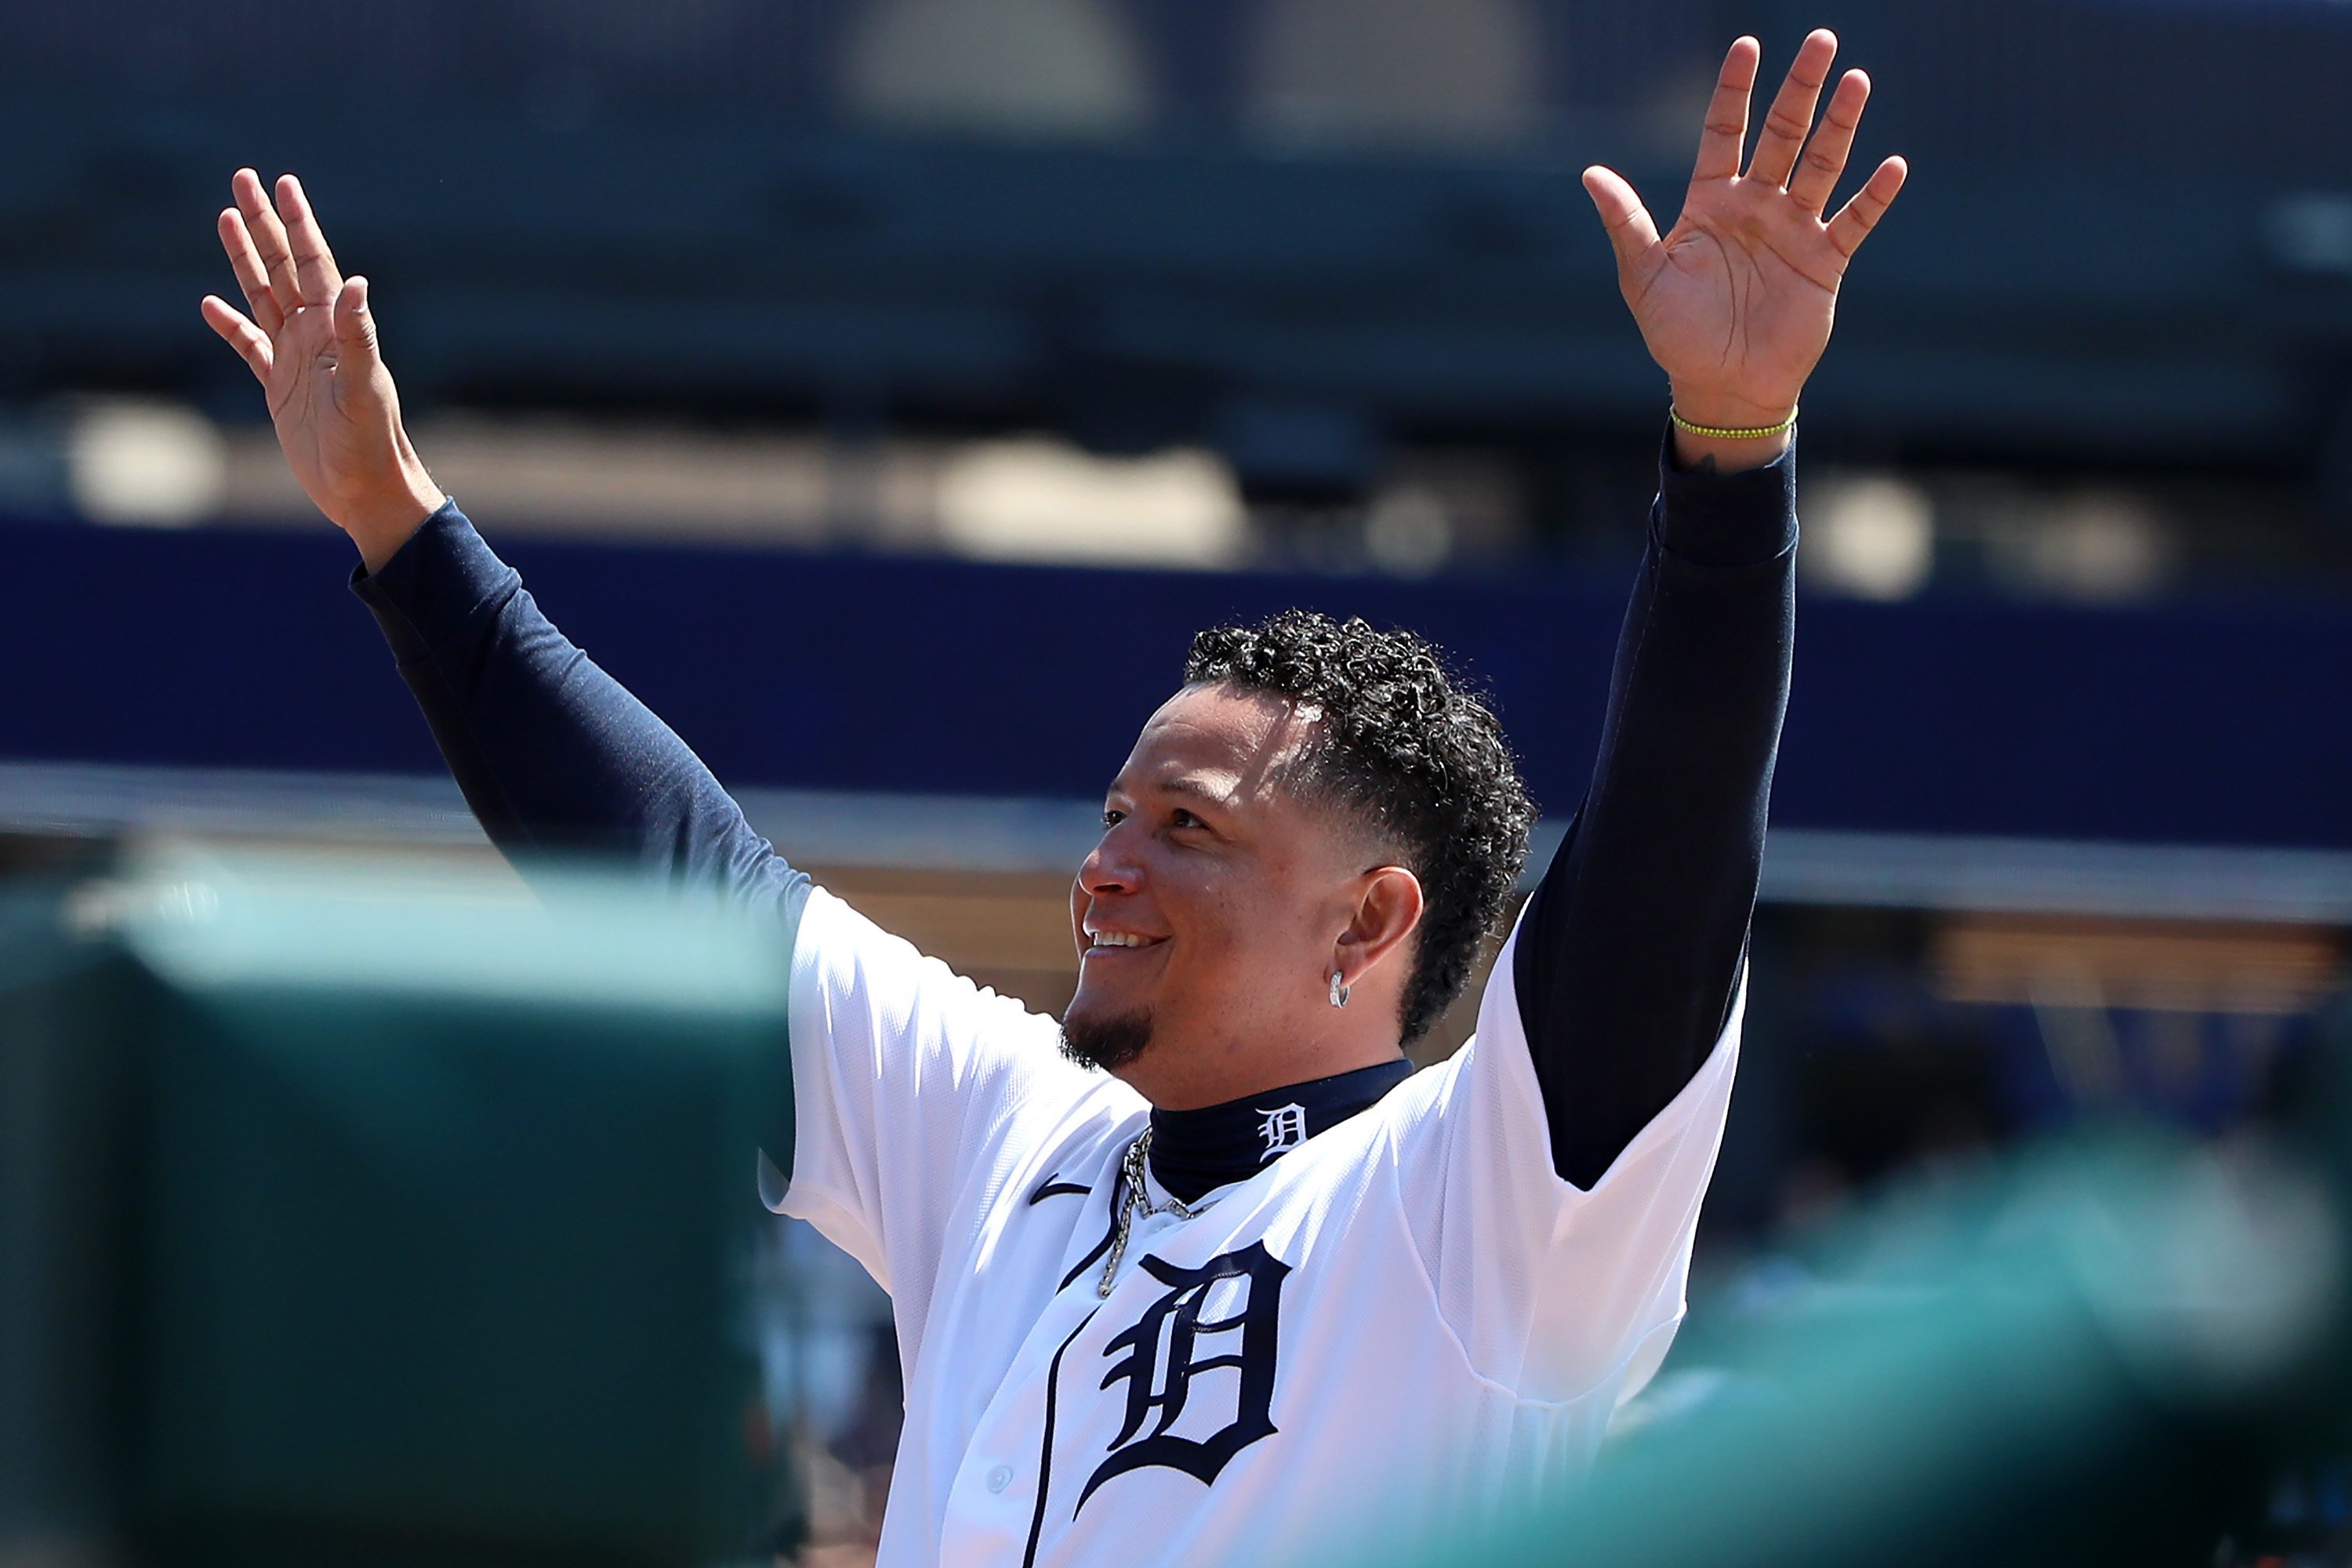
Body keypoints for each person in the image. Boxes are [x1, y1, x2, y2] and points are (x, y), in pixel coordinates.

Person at [201, 31, 1903, 1567]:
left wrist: (1731, 445)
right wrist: (399, 526)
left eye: (1191, 829)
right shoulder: (1018, 1134)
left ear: (1371, 918)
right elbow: (683, 873)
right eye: (1114, 815)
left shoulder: (1481, 1206)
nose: (1108, 869)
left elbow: (1668, 860)